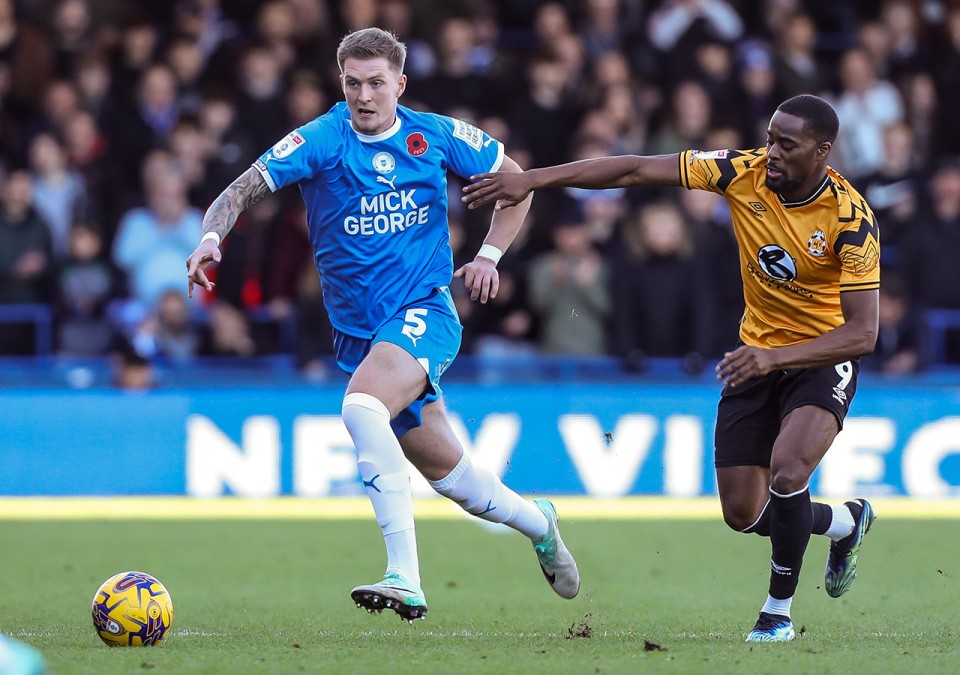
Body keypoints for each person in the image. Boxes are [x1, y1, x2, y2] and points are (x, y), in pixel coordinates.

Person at [185, 27, 579, 622]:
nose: (364, 96)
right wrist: (211, 237)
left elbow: (516, 183)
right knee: (459, 484)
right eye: (352, 84)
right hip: (360, 334)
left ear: (400, 83)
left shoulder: (437, 135)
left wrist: (489, 256)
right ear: (340, 85)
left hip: (424, 311)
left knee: (360, 408)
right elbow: (238, 190)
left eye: (376, 83)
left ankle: (405, 577)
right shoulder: (320, 139)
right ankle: (538, 522)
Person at [463, 94, 879, 643]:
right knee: (743, 513)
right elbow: (635, 169)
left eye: (786, 144)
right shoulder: (741, 171)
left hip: (820, 358)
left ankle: (776, 612)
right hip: (756, 355)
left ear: (823, 152)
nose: (771, 152)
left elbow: (863, 332)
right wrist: (533, 180)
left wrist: (775, 356)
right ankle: (846, 522)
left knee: (787, 472)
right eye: (770, 137)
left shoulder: (851, 219)